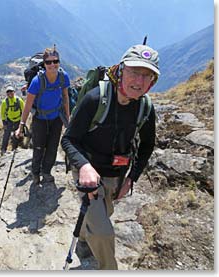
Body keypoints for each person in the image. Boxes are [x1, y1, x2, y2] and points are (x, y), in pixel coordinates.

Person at [61, 44, 159, 269]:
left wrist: (131, 178)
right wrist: (84, 166)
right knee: (104, 233)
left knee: (105, 212)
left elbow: (147, 145)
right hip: (88, 172)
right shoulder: (95, 100)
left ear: (153, 81)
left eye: (147, 76)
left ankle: (84, 241)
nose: (139, 81)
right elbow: (68, 139)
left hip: (116, 174)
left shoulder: (145, 108)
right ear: (121, 69)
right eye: (135, 72)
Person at [15, 46, 70, 185]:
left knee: (52, 148)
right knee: (39, 148)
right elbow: (27, 105)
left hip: (56, 119)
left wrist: (67, 119)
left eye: (55, 61)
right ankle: (35, 173)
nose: (52, 65)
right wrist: (21, 125)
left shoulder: (63, 77)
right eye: (49, 62)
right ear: (44, 64)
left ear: (59, 62)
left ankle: (46, 172)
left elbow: (65, 97)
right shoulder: (37, 81)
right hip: (39, 119)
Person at [0, 86, 25, 155]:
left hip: (18, 120)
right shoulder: (5, 102)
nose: (10, 93)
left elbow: (24, 111)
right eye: (8, 92)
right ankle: (3, 149)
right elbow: (2, 113)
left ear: (14, 92)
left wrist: (23, 121)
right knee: (6, 135)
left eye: (11, 92)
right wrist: (4, 122)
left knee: (16, 134)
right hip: (9, 120)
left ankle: (15, 148)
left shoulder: (19, 101)